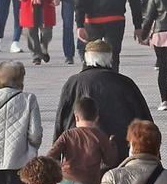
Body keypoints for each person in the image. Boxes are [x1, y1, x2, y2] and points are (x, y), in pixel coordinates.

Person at [57, 40, 153, 170]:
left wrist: (57, 158)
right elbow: (144, 120)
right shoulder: (124, 83)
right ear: (110, 58)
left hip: (79, 155)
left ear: (86, 58)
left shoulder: (73, 83)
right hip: (119, 155)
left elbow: (61, 120)